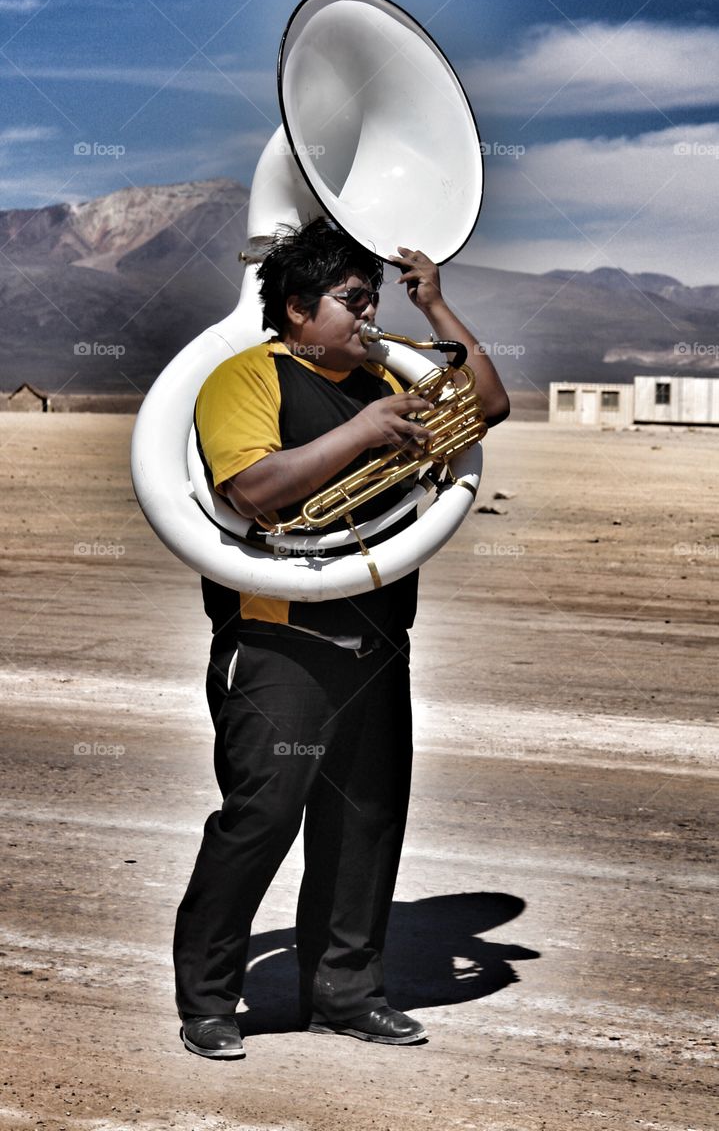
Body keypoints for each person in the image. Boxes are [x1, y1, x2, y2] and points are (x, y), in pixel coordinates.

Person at [173, 218, 510, 1059]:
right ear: (296, 309)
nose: (368, 316)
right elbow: (253, 489)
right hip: (280, 636)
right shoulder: (245, 376)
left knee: (365, 823)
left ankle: (345, 994)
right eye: (352, 301)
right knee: (262, 816)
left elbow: (490, 403)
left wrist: (432, 304)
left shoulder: (382, 378)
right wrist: (364, 433)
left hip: (378, 632)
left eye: (373, 300)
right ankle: (210, 1001)